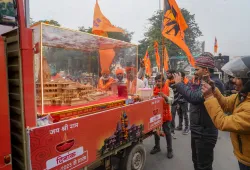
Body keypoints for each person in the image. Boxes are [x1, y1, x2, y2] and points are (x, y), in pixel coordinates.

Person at [173, 52, 224, 170]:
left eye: (197, 69)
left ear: (206, 70)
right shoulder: (202, 81)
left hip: (205, 132)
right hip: (198, 130)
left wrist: (180, 84)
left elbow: (194, 98)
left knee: (203, 166)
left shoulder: (214, 83)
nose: (194, 72)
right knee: (196, 161)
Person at [201, 56, 250, 170]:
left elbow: (223, 122)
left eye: (238, 78)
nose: (233, 81)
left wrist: (208, 97)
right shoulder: (243, 96)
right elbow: (226, 104)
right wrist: (214, 90)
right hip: (243, 156)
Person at [150, 74, 174, 158]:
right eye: (156, 81)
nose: (157, 83)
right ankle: (157, 147)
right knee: (156, 131)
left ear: (164, 81)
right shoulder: (154, 89)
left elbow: (171, 101)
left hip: (166, 114)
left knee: (167, 132)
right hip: (156, 114)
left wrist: (164, 96)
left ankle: (170, 150)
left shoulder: (169, 89)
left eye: (159, 81)